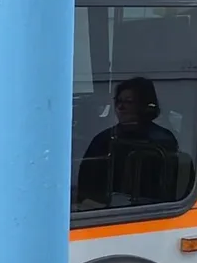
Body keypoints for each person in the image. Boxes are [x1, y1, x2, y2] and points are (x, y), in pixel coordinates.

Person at [76, 77, 180, 206]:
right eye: (118, 101)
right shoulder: (103, 140)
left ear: (144, 106)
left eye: (129, 102)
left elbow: (169, 189)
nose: (121, 107)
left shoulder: (163, 140)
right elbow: (86, 188)